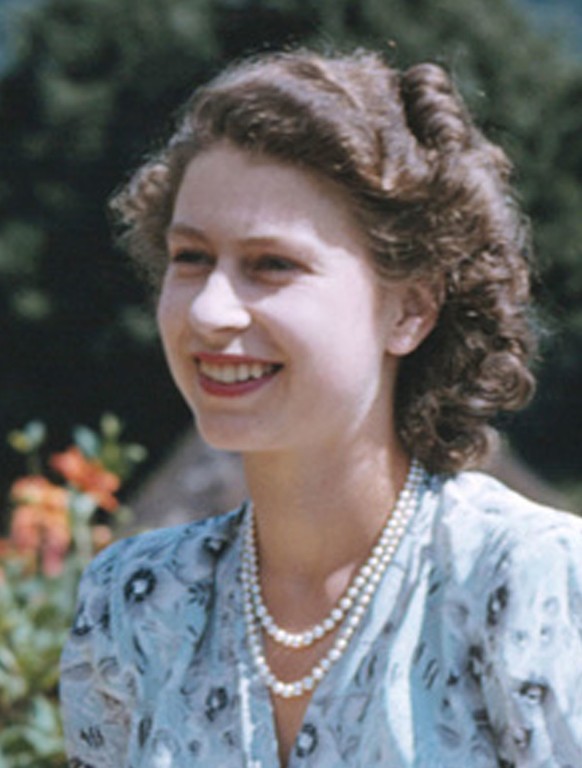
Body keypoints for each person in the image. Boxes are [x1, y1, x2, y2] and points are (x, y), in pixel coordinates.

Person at [60, 48, 582, 767]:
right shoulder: (131, 602)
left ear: (412, 309)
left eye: (273, 264)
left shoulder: (530, 580)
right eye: (190, 257)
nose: (211, 311)